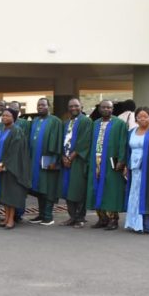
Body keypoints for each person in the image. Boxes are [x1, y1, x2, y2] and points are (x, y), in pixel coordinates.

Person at [86, 100, 128, 231]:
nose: (106, 109)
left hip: (111, 162)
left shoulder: (120, 124)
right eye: (103, 107)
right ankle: (102, 218)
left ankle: (113, 219)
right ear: (99, 109)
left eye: (109, 107)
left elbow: (123, 143)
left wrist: (121, 160)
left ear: (112, 109)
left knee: (110, 190)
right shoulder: (95, 124)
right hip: (96, 161)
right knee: (97, 188)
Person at [0, 108, 31, 229]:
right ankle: (6, 217)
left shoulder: (17, 131)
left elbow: (15, 152)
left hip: (12, 168)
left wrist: (4, 165)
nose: (4, 117)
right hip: (0, 167)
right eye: (3, 115)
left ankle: (11, 219)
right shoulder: (1, 129)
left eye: (8, 116)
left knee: (11, 194)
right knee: (4, 193)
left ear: (14, 118)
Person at [27, 98, 63, 226]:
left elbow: (58, 142)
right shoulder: (35, 121)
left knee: (48, 188)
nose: (40, 107)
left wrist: (54, 160)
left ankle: (48, 216)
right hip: (35, 161)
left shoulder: (55, 121)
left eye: (43, 105)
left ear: (49, 106)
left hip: (48, 161)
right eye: (38, 105)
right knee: (38, 188)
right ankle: (41, 214)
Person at [60, 98, 93, 228]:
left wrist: (71, 157)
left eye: (76, 106)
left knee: (78, 189)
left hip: (78, 161)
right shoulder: (66, 123)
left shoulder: (86, 121)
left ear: (81, 107)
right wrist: (63, 156)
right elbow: (61, 141)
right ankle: (72, 217)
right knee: (68, 189)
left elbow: (84, 141)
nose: (73, 108)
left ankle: (80, 218)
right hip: (66, 162)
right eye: (71, 106)